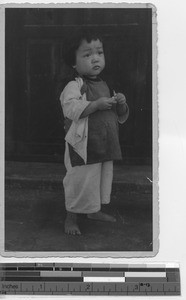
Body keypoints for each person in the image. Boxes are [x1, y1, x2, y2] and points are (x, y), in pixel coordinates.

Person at [60, 29, 129, 235]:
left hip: (104, 141)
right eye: (87, 55)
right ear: (74, 62)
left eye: (99, 52)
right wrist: (95, 105)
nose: (95, 58)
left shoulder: (105, 84)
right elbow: (70, 108)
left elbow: (119, 115)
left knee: (100, 178)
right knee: (80, 179)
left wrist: (121, 104)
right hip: (83, 144)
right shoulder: (75, 85)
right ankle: (71, 216)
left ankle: (93, 210)